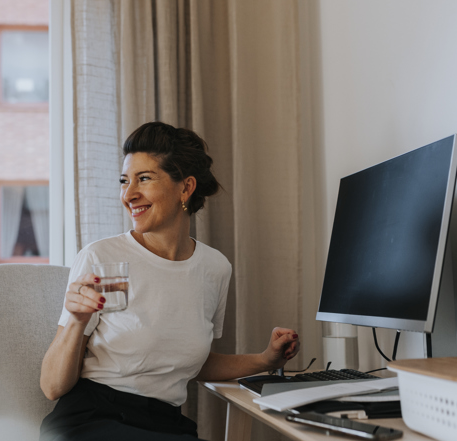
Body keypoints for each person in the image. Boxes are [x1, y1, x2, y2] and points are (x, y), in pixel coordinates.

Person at [39, 122, 300, 441]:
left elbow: (191, 361)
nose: (128, 194)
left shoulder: (215, 268)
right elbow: (52, 387)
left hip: (165, 424)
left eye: (144, 179)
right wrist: (78, 322)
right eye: (124, 181)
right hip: (93, 419)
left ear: (185, 188)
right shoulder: (101, 257)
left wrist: (265, 359)